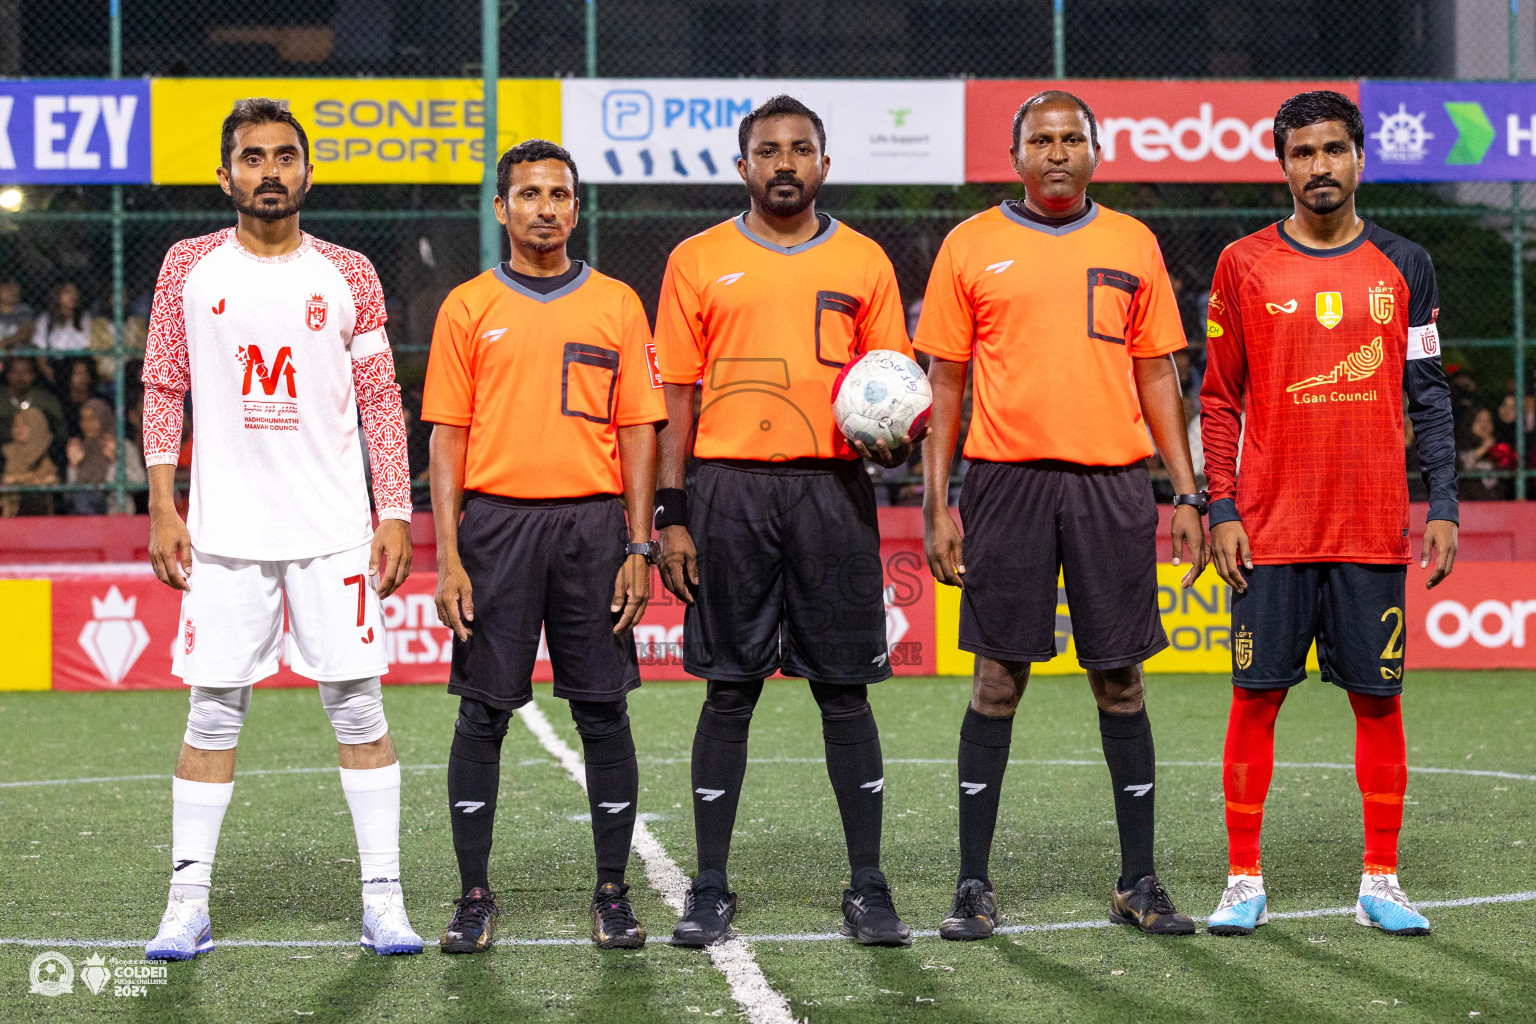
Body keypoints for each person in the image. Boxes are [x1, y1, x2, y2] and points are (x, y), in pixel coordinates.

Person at [916, 89, 1208, 940]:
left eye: (1070, 138)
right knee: (998, 681)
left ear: (1094, 151)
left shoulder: (1132, 242)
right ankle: (973, 884)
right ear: (1014, 157)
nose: (1056, 152)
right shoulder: (970, 244)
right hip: (1005, 485)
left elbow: (1160, 374)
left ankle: (1139, 881)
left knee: (1120, 679)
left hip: (1112, 487)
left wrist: (1184, 491)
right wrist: (937, 503)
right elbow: (945, 382)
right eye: (1040, 139)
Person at [141, 98, 421, 960]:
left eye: (284, 156)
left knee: (358, 705)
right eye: (252, 157)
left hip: (335, 530)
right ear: (225, 175)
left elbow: (380, 401)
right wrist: (161, 503)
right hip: (223, 533)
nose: (270, 171)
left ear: (307, 170)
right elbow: (163, 385)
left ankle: (384, 900)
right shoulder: (189, 265)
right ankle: (186, 903)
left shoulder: (350, 271)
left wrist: (395, 510)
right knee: (212, 715)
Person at [653, 95, 917, 948]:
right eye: (768, 150)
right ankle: (709, 887)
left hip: (832, 494)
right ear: (742, 167)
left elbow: (891, 382)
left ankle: (869, 887)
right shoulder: (696, 260)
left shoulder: (865, 260)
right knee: (729, 691)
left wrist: (893, 445)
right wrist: (672, 512)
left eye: (801, 149)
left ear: (825, 165)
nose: (784, 163)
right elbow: (676, 399)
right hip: (728, 491)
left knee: (845, 693)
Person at [1200, 91, 1459, 938]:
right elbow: (1219, 400)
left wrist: (1444, 504)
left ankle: (1380, 879)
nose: (1321, 167)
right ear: (1282, 163)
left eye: (1335, 150)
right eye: (1304, 152)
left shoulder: (1404, 265)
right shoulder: (1243, 264)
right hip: (1269, 531)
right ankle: (1243, 880)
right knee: (1255, 701)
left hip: (1369, 527)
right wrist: (1222, 505)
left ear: (1358, 158)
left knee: (1379, 705)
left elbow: (1429, 397)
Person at [424, 140, 663, 953]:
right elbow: (447, 440)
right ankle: (473, 896)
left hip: (594, 530)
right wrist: (448, 555)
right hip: (495, 528)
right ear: (501, 210)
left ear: (575, 206)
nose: (546, 207)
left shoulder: (620, 304)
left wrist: (640, 543)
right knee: (483, 713)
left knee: (603, 711)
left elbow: (638, 430)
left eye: (559, 193)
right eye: (528, 194)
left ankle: (612, 892)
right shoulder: (466, 307)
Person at [1, 406, 58, 516]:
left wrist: (16, 479)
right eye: (15, 425)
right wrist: (34, 479)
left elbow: (50, 477)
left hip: (38, 519)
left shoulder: (49, 452)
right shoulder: (5, 453)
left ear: (36, 426)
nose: (18, 429)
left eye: (25, 425)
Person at [1, 356, 64, 446]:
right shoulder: (1, 398)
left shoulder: (46, 400)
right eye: (15, 372)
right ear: (8, 375)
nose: (20, 377)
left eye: (26, 372)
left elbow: (60, 432)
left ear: (33, 375)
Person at [0, 279, 35, 349]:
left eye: (14, 288)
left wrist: (6, 342)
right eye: (7, 288)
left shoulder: (24, 311)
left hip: (15, 352)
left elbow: (26, 331)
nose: (11, 292)